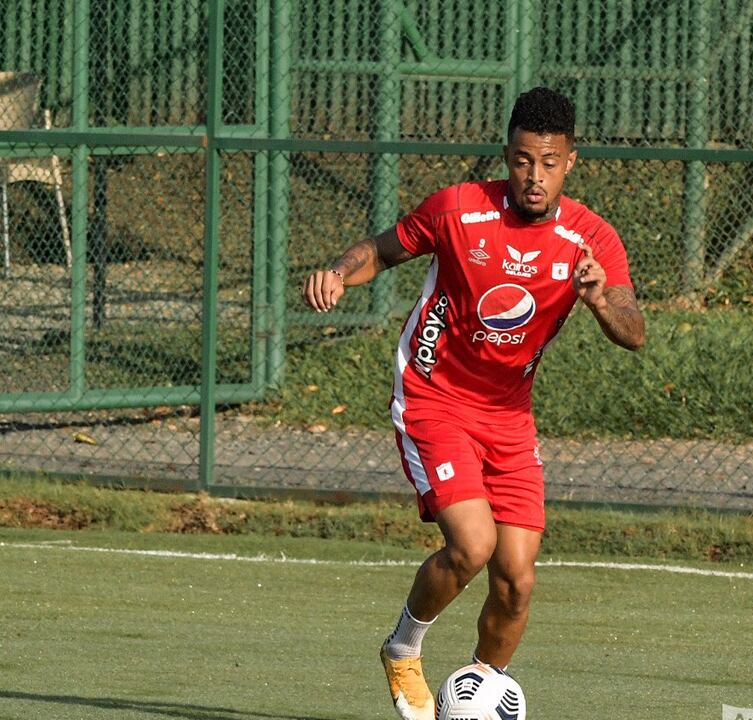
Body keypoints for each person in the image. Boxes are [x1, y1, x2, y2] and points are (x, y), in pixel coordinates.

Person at [303, 87, 645, 720]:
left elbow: (633, 330)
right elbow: (381, 250)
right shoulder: (459, 210)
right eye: (522, 160)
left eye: (549, 163)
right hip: (433, 397)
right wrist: (338, 273)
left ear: (571, 161)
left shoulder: (591, 238)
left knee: (516, 580)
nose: (534, 176)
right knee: (473, 545)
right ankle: (403, 648)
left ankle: (478, 693)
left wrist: (601, 299)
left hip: (509, 415)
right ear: (506, 156)